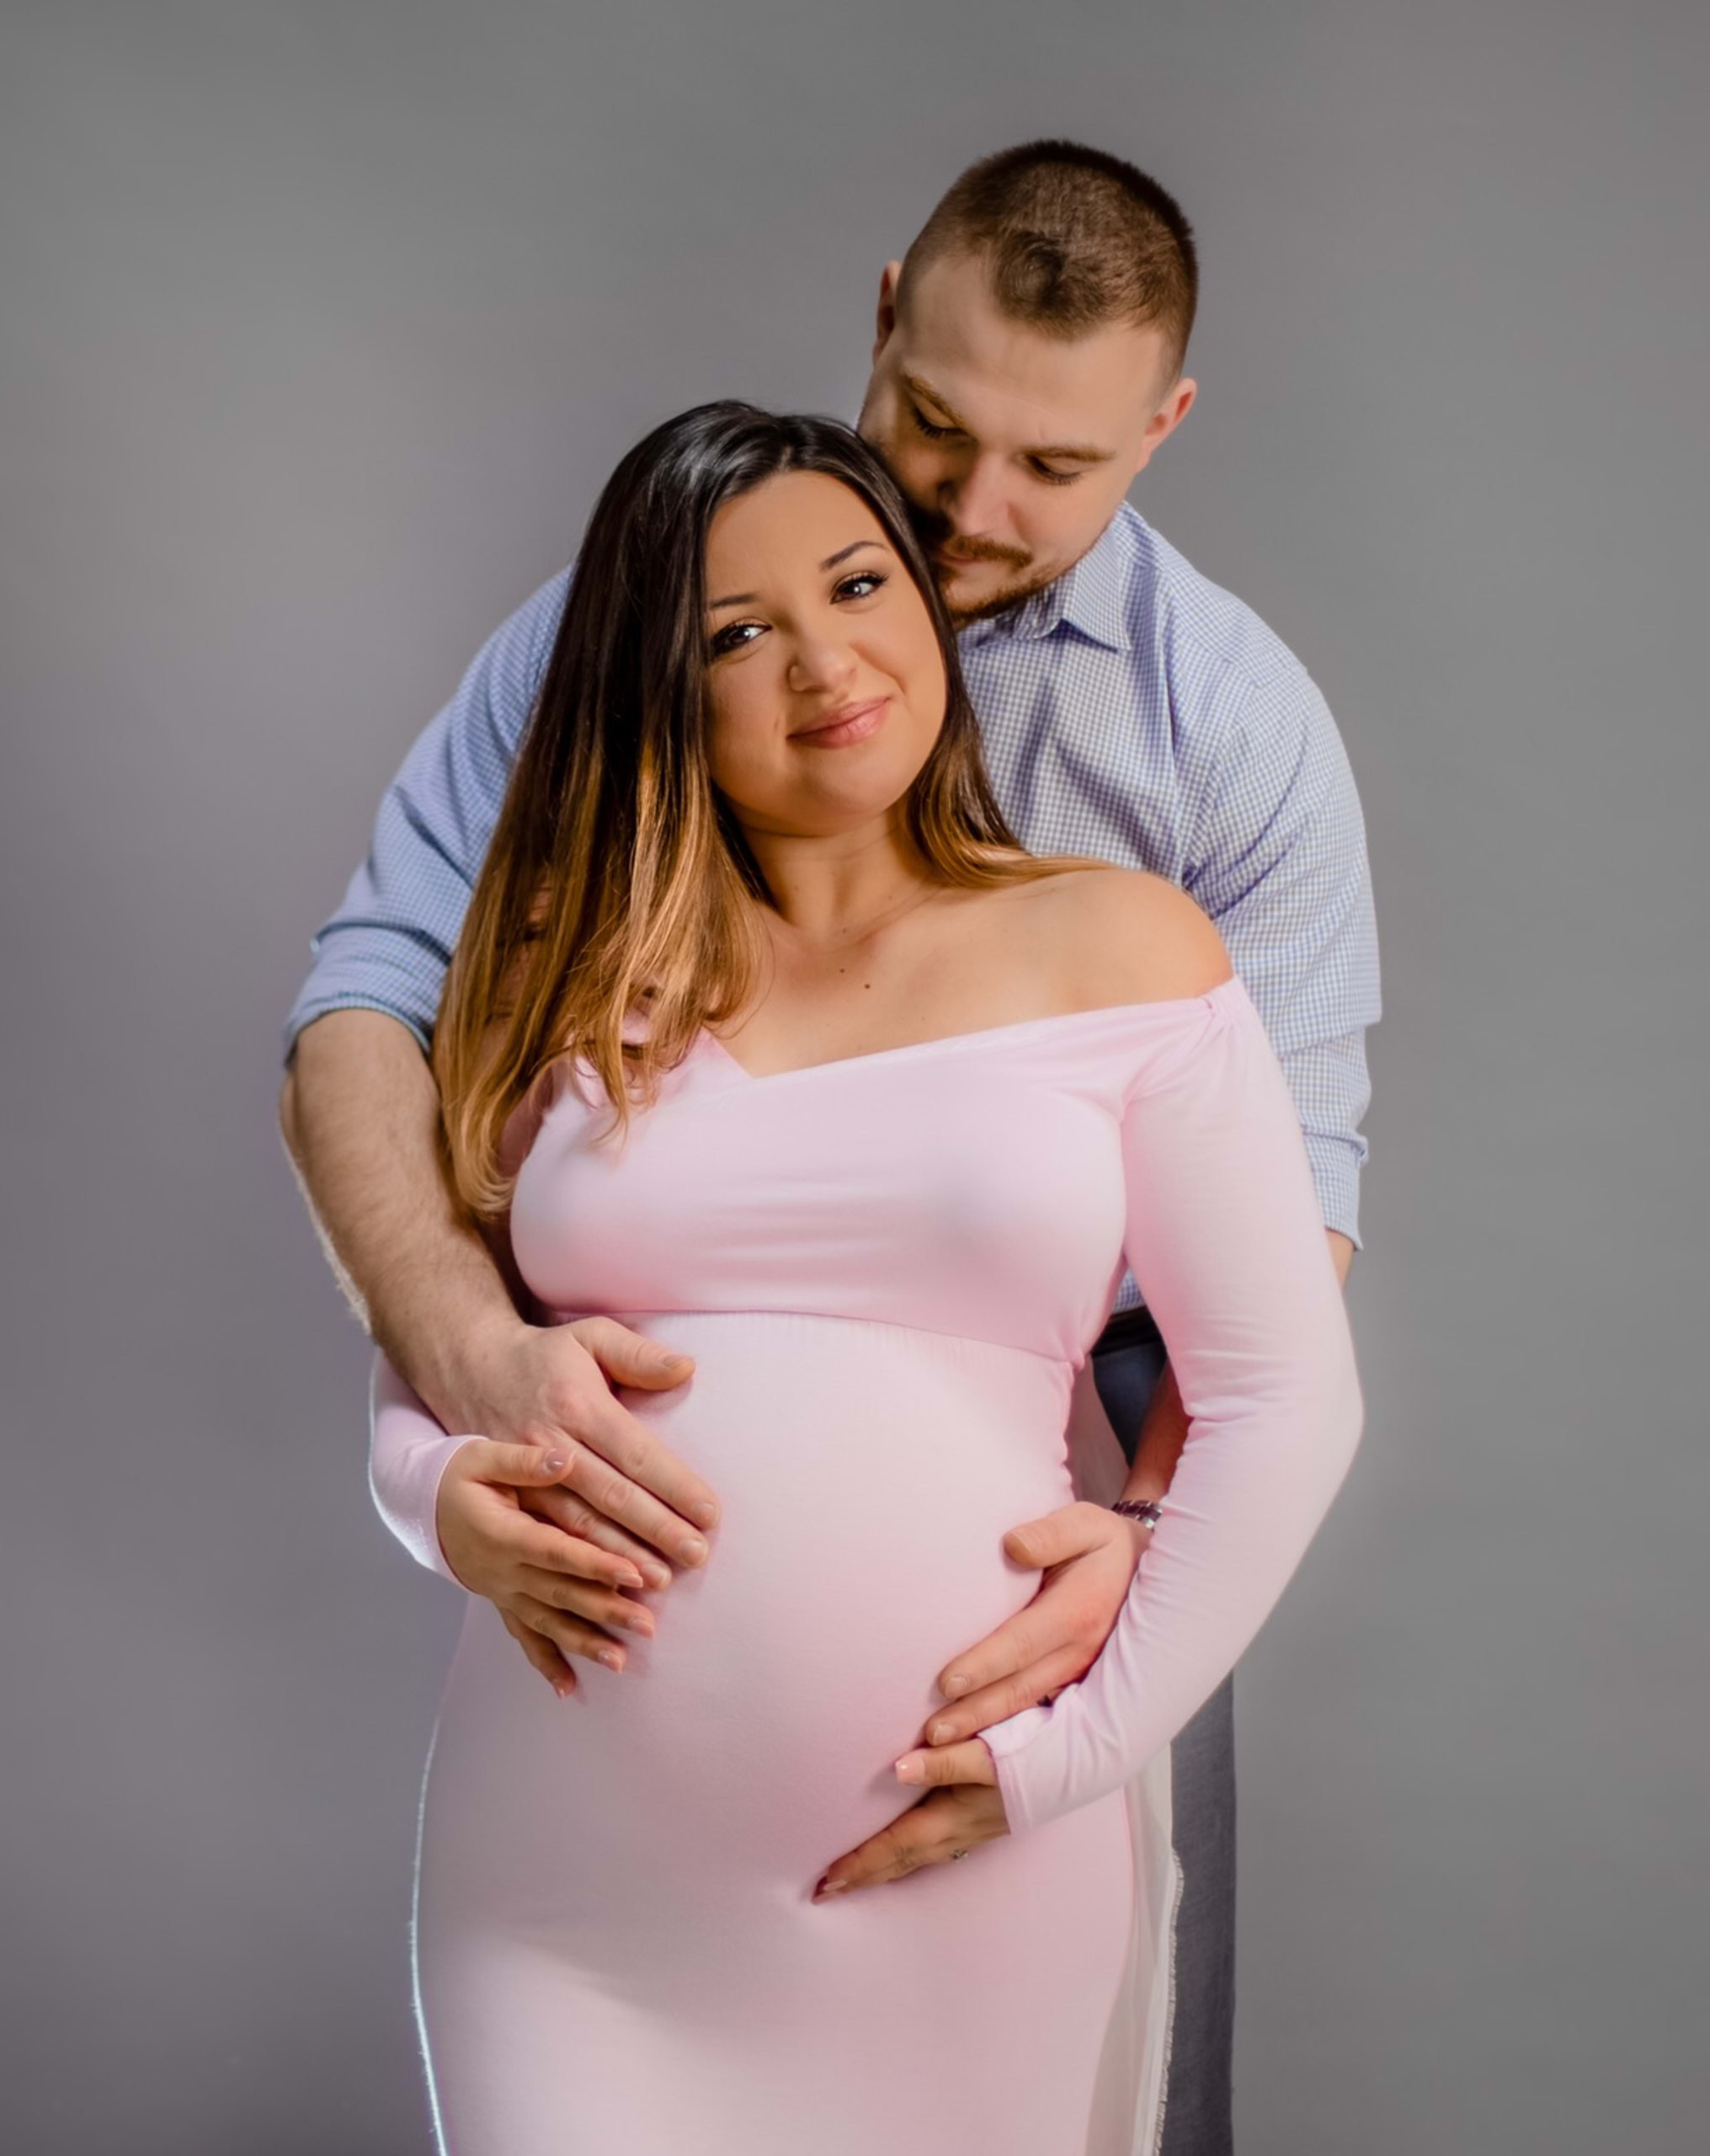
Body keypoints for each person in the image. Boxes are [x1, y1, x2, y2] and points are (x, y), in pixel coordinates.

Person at [277, 141, 1377, 2151]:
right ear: (881, 317)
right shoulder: (621, 683)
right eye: (936, 432)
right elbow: (375, 1008)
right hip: (582, 1868)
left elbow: (1284, 1277)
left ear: (1166, 430)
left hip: (1067, 1575)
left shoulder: (1224, 740)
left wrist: (1122, 1607)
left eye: (1055, 470)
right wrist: (456, 1406)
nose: (970, 513)